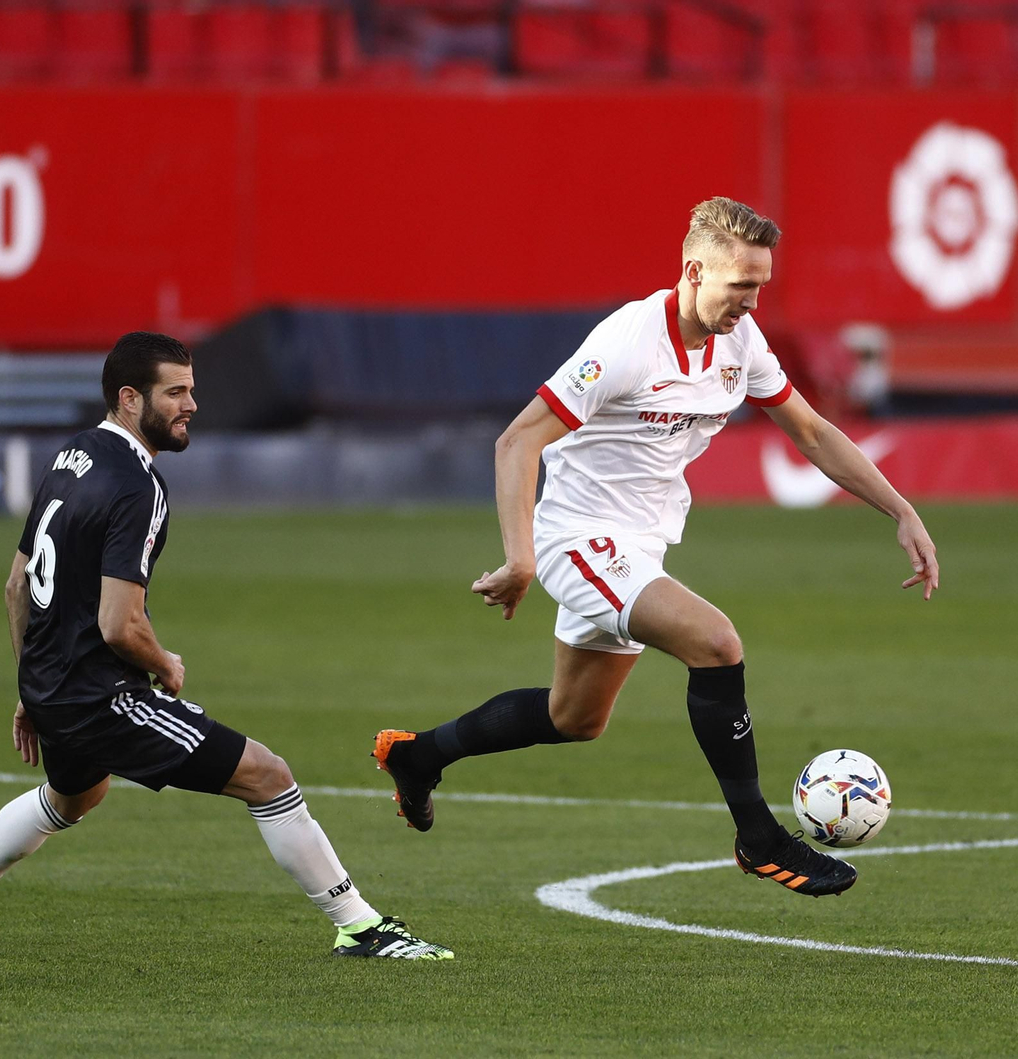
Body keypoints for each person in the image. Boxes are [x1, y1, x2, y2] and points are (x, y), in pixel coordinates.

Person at [372, 197, 940, 898]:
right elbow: (518, 440)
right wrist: (520, 557)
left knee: (573, 717)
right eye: (740, 286)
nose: (751, 303)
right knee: (717, 642)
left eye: (760, 286)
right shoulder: (626, 343)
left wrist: (900, 509)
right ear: (695, 271)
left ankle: (417, 756)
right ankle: (758, 837)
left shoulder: (742, 341)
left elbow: (813, 432)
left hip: (641, 543)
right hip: (578, 539)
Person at [0, 331, 453, 959]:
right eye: (176, 392)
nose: (191, 404)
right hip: (99, 697)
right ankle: (360, 926)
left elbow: (15, 584)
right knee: (269, 777)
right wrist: (164, 662)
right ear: (130, 398)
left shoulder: (71, 457)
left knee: (73, 796)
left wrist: (31, 686)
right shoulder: (139, 487)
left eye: (192, 390)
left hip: (53, 688)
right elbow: (120, 624)